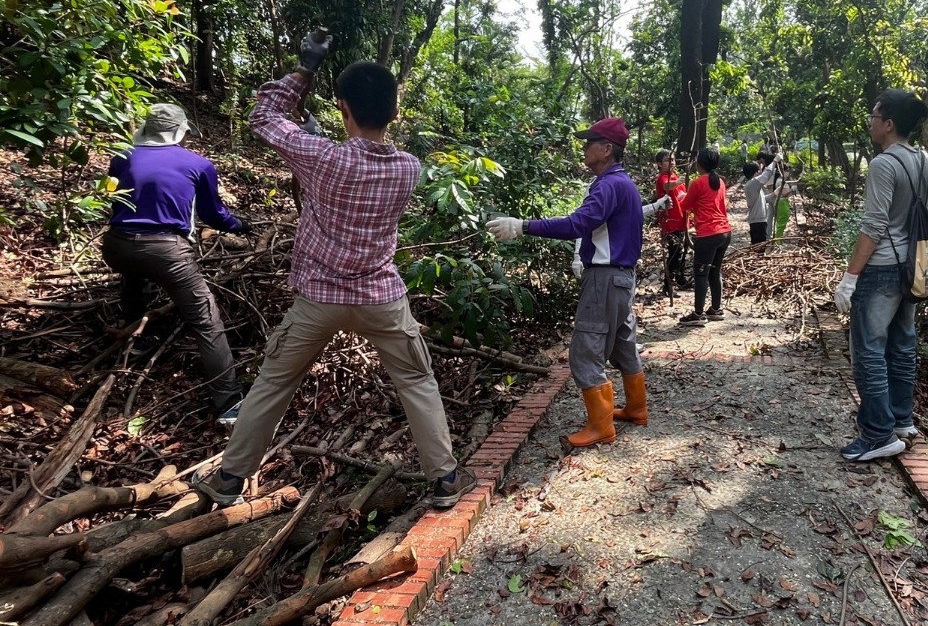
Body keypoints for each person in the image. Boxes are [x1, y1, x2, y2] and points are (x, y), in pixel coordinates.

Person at [197, 35, 476, 509]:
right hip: (381, 298)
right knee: (416, 381)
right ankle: (446, 480)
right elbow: (359, 155)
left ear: (343, 107)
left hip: (319, 300)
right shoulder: (409, 168)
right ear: (394, 112)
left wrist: (304, 70)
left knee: (273, 383)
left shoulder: (322, 157)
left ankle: (228, 480)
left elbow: (264, 117)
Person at [485, 117, 649, 448]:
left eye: (589, 143)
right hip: (622, 277)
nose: (584, 148)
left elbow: (578, 223)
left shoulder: (608, 185)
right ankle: (636, 408)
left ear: (606, 149)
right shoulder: (625, 184)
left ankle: (601, 426)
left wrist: (523, 226)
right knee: (621, 343)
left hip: (604, 278)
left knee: (586, 350)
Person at [101, 103, 247, 417]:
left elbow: (113, 199)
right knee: (206, 320)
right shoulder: (198, 164)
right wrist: (238, 225)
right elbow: (212, 214)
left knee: (132, 273)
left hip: (115, 245)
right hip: (166, 251)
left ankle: (138, 339)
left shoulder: (121, 157)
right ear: (180, 132)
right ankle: (229, 402)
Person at [832, 89, 928, 462]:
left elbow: (874, 226)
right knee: (902, 345)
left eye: (875, 116)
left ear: (889, 123)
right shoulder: (923, 161)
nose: (871, 122)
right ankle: (902, 420)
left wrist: (850, 277)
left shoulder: (884, 164)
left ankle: (877, 434)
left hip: (881, 270)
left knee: (869, 352)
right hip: (911, 267)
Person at [678, 149, 732, 326]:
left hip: (708, 234)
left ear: (699, 163)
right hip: (724, 232)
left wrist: (680, 196)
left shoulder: (698, 183)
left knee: (701, 274)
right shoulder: (720, 182)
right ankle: (716, 309)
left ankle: (698, 314)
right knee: (715, 272)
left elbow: (686, 205)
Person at [653, 149, 690, 295]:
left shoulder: (674, 175)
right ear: (659, 164)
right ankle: (668, 285)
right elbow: (668, 186)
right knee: (675, 253)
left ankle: (680, 278)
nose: (672, 163)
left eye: (673, 159)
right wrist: (677, 182)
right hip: (671, 222)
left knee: (683, 250)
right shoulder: (663, 177)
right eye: (668, 160)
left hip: (682, 219)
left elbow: (682, 194)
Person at [741, 162, 775, 244]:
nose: (760, 173)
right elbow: (766, 175)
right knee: (759, 247)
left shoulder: (754, 186)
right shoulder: (752, 183)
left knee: (759, 246)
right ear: (756, 172)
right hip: (757, 222)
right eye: (759, 171)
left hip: (759, 221)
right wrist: (775, 161)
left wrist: (774, 194)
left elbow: (762, 199)